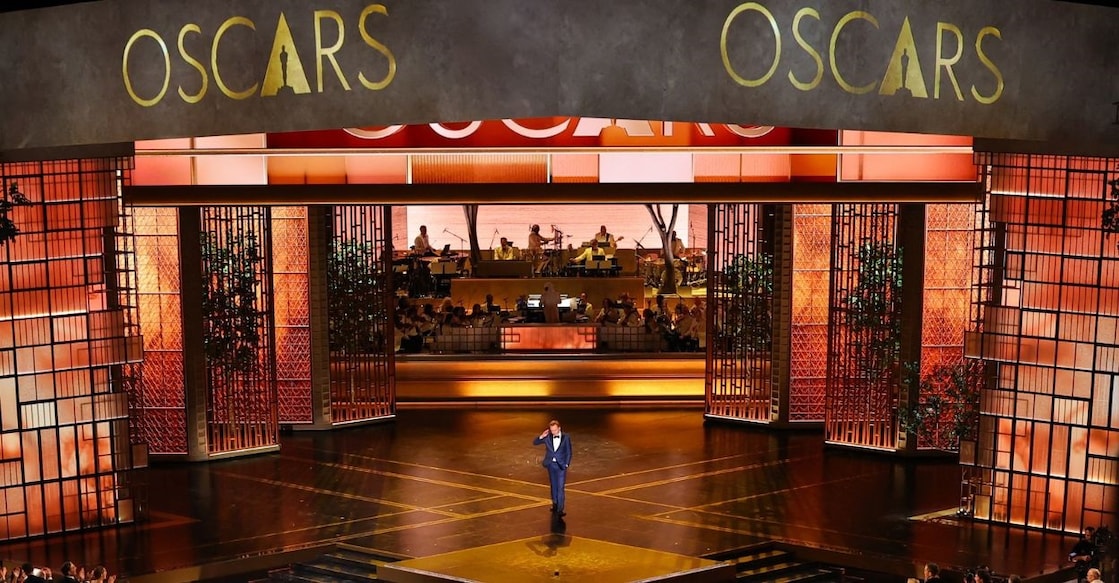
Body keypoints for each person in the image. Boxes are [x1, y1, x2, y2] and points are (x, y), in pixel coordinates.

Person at [533, 419, 572, 516]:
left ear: (559, 428)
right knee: (553, 485)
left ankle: (560, 508)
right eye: (552, 430)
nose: (553, 432)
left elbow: (569, 452)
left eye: (555, 430)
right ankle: (555, 504)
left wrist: (566, 464)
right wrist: (542, 436)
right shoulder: (547, 437)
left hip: (561, 466)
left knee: (560, 487)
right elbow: (535, 442)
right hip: (550, 465)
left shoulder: (566, 438)